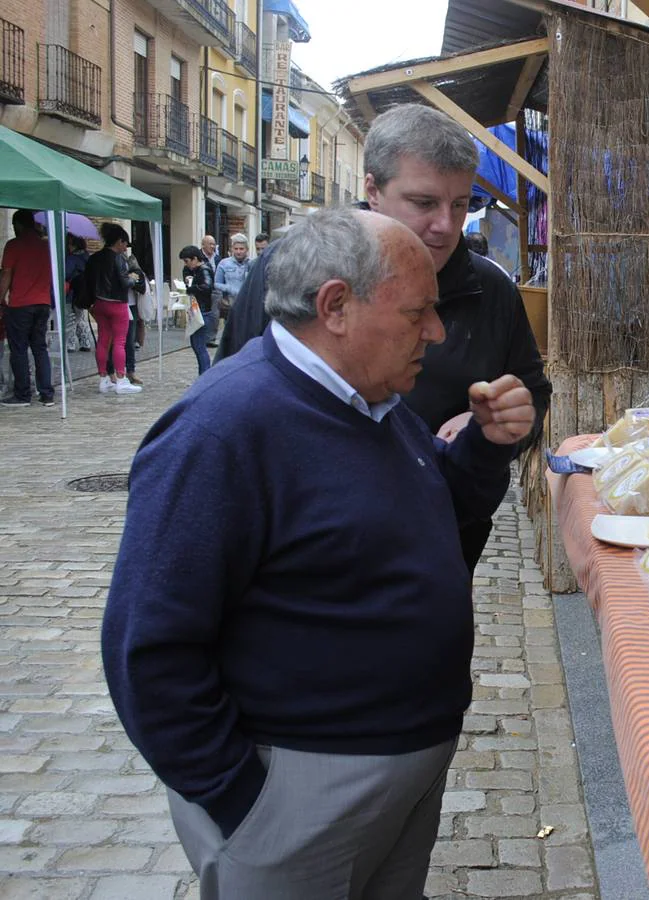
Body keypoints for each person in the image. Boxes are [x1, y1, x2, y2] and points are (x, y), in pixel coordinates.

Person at [102, 208, 534, 900]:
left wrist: (483, 445)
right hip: (301, 797)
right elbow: (148, 647)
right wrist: (244, 801)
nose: (438, 332)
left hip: (396, 771)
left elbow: (441, 511)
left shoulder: (372, 399)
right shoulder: (223, 428)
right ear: (335, 305)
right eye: (419, 311)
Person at [215, 103, 552, 572]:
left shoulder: (492, 289)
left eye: (460, 204)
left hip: (445, 543)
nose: (446, 225)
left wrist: (494, 430)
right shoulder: (287, 267)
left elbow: (532, 393)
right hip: (306, 559)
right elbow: (230, 398)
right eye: (424, 203)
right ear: (372, 190)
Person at [1, 209, 56, 408]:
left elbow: (6, 274)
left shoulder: (14, 245)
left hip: (20, 304)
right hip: (42, 303)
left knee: (19, 349)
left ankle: (22, 394)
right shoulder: (47, 246)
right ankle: (46, 393)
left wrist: (0, 298)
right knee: (40, 347)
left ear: (19, 225)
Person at [86, 223, 142, 395]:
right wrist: (133, 279)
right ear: (118, 241)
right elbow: (125, 283)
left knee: (103, 340)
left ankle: (104, 379)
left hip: (99, 303)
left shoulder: (95, 258)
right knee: (119, 342)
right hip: (117, 303)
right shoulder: (118, 259)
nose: (125, 247)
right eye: (125, 243)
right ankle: (121, 379)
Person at [179, 246, 214, 376]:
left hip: (203, 310)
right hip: (199, 309)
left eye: (187, 261)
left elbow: (207, 286)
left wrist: (192, 288)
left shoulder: (203, 270)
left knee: (199, 345)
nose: (186, 264)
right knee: (197, 345)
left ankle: (205, 374)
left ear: (195, 259)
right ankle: (204, 374)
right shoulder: (195, 270)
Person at [119, 248, 147, 386]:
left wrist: (133, 279)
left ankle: (130, 370)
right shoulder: (116, 265)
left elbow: (141, 286)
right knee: (119, 341)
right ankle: (117, 372)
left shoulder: (133, 266)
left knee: (130, 341)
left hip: (131, 305)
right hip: (119, 304)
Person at [64, 234, 95, 353]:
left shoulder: (71, 259)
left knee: (70, 319)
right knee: (81, 318)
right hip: (84, 293)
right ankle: (85, 341)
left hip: (71, 293)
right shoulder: (87, 256)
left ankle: (70, 344)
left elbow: (65, 273)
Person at [213, 232, 250, 323]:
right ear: (232, 249)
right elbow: (216, 284)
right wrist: (229, 288)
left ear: (247, 249)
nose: (238, 251)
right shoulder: (224, 263)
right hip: (230, 305)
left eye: (241, 249)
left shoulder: (252, 264)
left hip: (248, 305)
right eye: (236, 249)